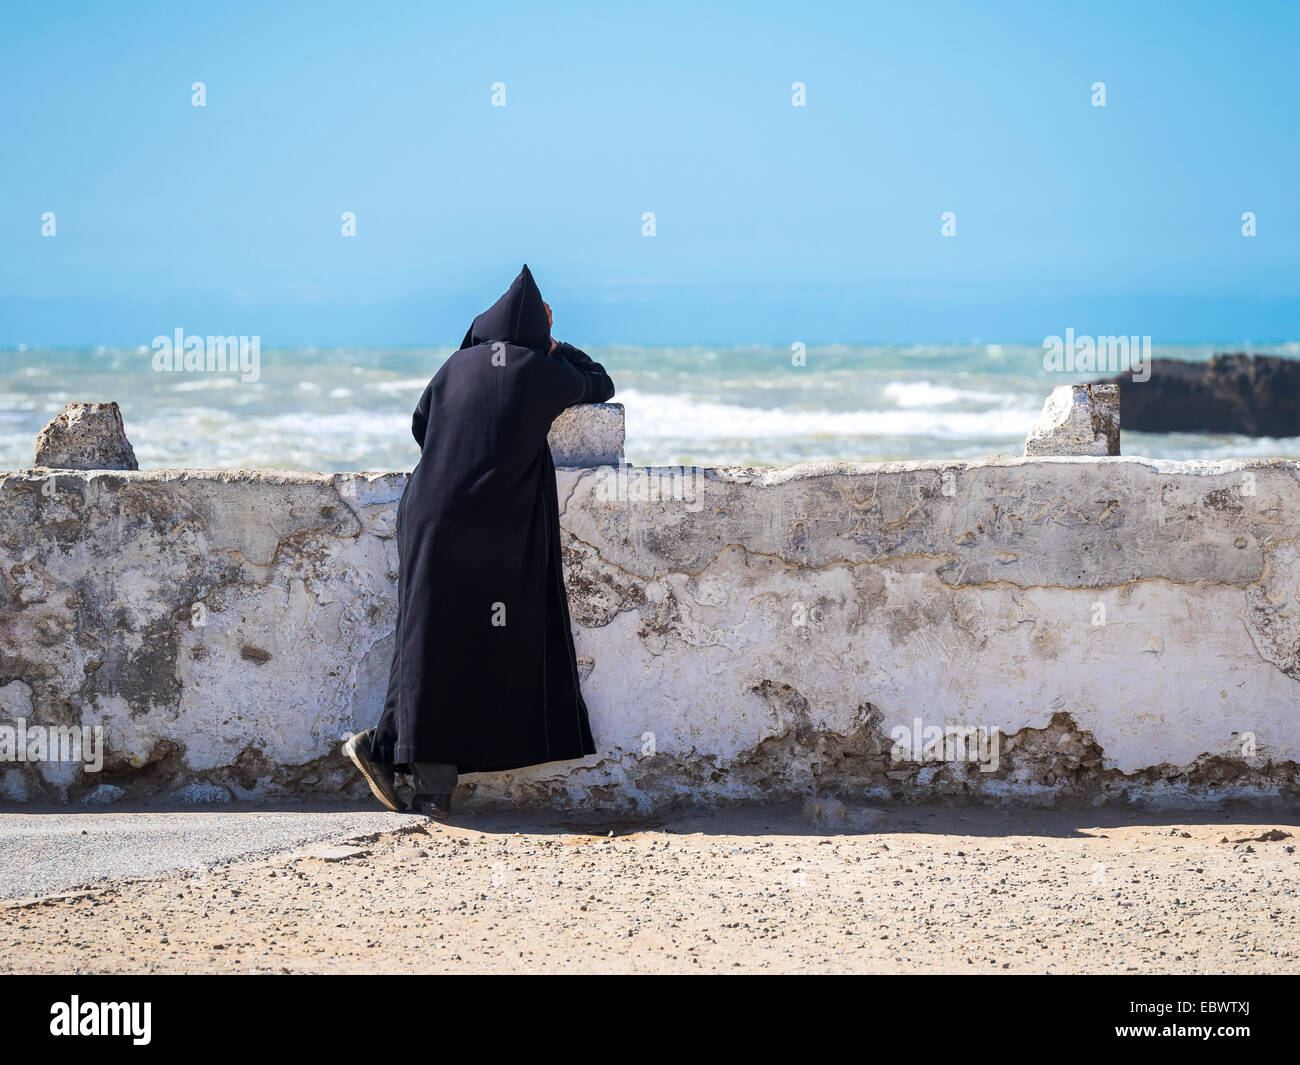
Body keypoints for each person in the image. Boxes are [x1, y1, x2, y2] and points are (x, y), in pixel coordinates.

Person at [343, 265, 615, 820]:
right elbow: (600, 383)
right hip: (489, 522)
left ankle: (420, 778)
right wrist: (559, 347)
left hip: (425, 512)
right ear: (540, 332)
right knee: (480, 639)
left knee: (428, 638)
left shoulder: (453, 366)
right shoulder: (542, 369)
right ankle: (411, 770)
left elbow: (422, 426)